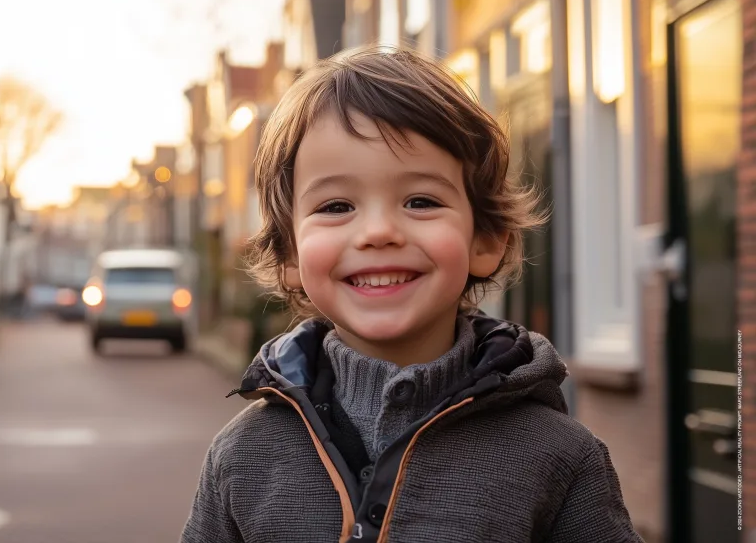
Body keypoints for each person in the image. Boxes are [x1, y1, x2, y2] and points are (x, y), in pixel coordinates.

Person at [181, 44, 643, 543]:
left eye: (420, 201)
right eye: (336, 206)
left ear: (485, 241)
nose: (378, 231)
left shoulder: (559, 457)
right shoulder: (242, 454)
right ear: (291, 255)